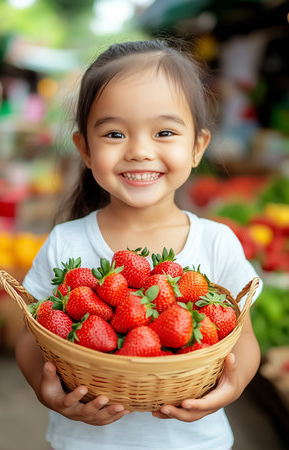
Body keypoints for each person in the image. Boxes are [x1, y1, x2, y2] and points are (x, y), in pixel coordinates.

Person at [15, 39, 262, 450]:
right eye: (114, 133)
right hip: (84, 441)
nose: (140, 151)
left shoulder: (216, 241)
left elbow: (245, 338)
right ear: (86, 151)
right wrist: (49, 394)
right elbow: (32, 335)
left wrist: (232, 386)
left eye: (164, 132)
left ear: (197, 146)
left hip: (196, 441)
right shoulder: (66, 242)